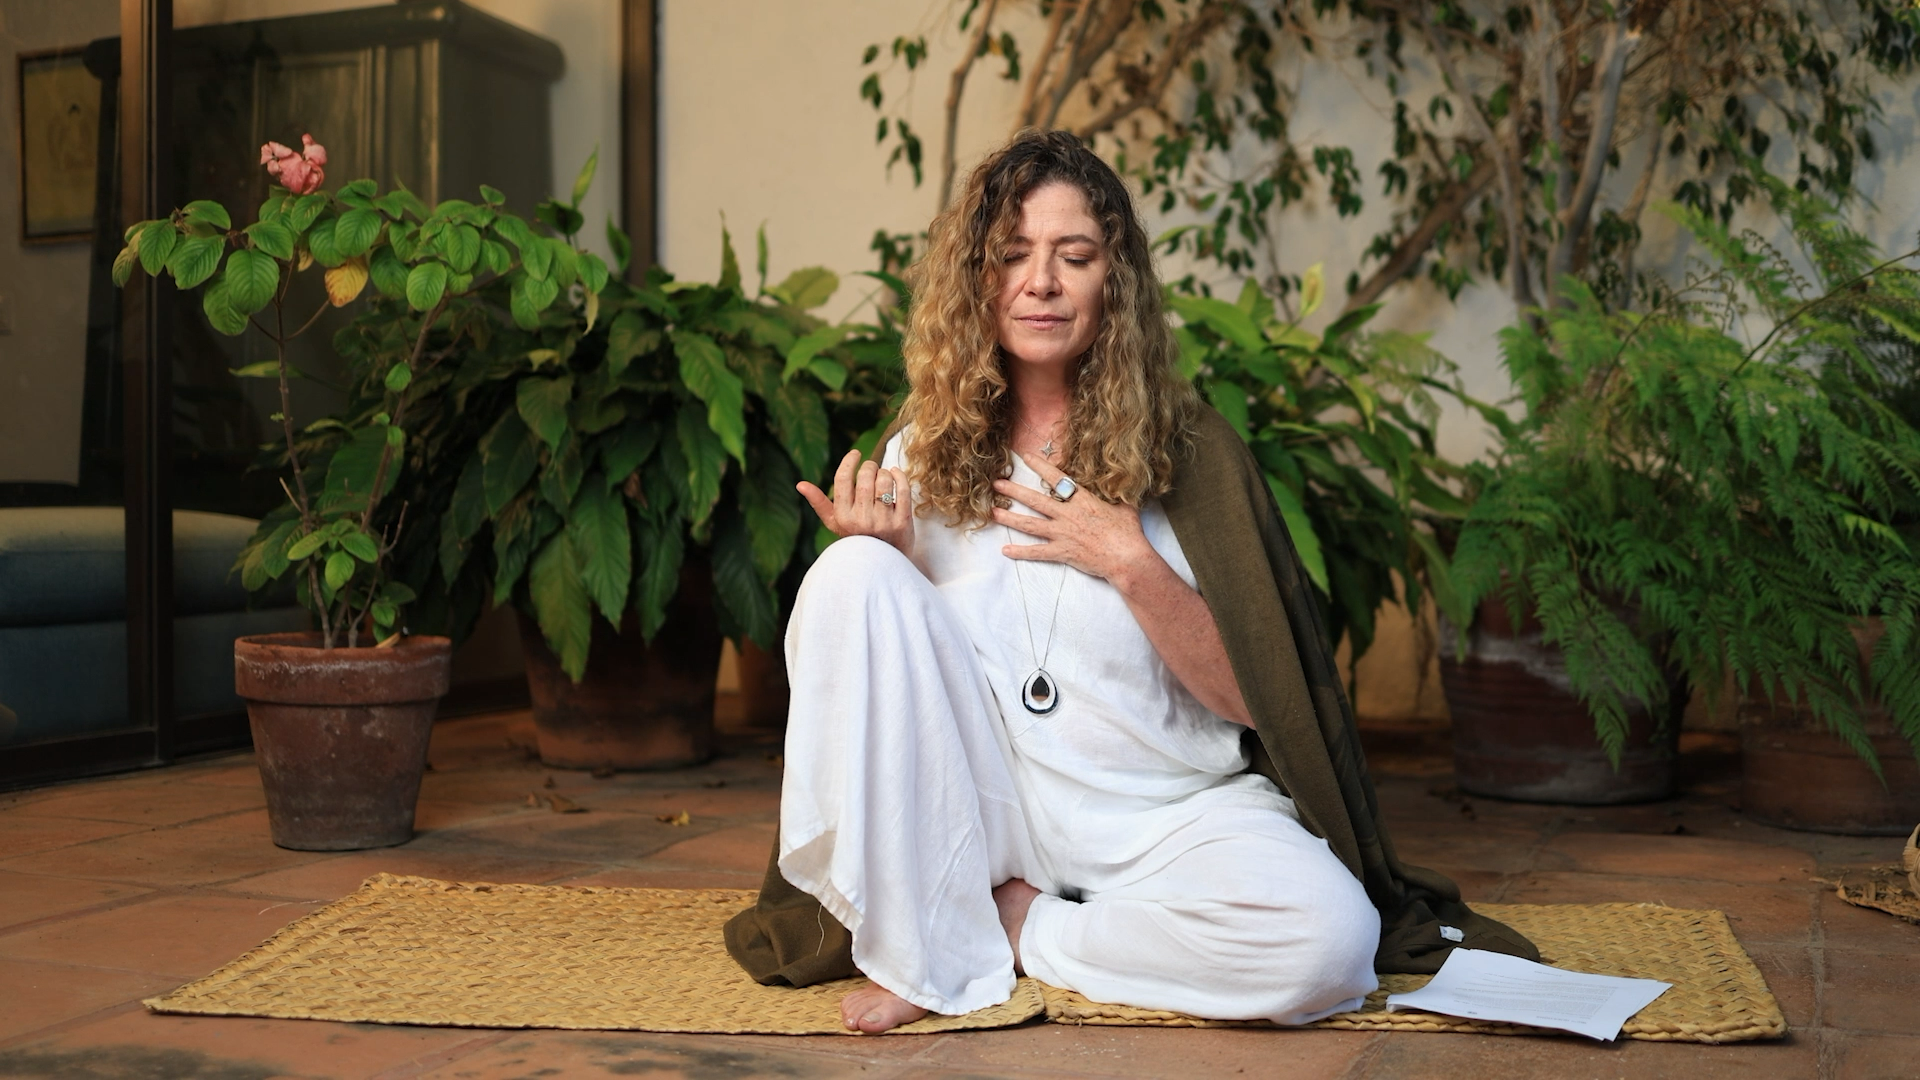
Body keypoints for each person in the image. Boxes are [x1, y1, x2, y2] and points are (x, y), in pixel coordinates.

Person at [725, 129, 1536, 1034]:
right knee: (850, 573)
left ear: (1114, 280)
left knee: (1327, 946)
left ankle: (1024, 928)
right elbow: (911, 686)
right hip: (994, 805)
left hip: (1164, 813)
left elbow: (1255, 700)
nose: (1041, 282)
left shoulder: (1188, 457)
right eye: (1012, 256)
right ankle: (929, 951)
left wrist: (1129, 562)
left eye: (1074, 256)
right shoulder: (926, 450)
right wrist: (888, 557)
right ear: (975, 281)